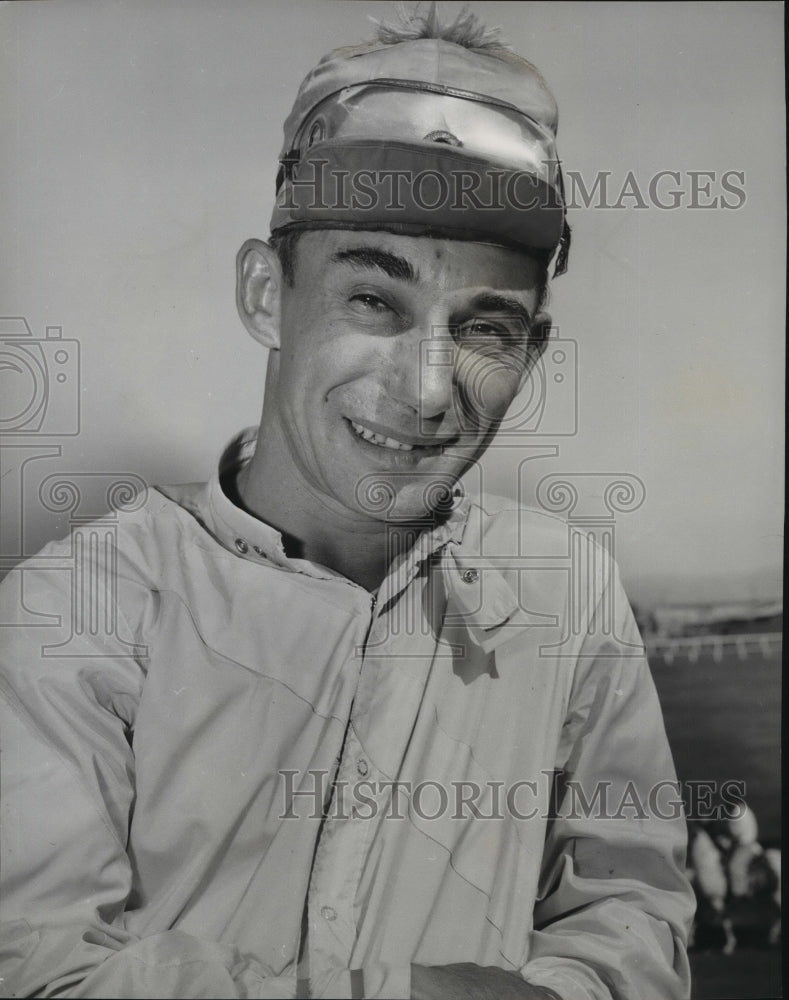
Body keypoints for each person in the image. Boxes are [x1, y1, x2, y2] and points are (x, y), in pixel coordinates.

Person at [0, 6, 694, 999]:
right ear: (264, 292)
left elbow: (634, 916)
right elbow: (34, 968)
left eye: (488, 328)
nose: (425, 388)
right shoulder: (71, 608)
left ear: (533, 351)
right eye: (375, 300)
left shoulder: (571, 596)